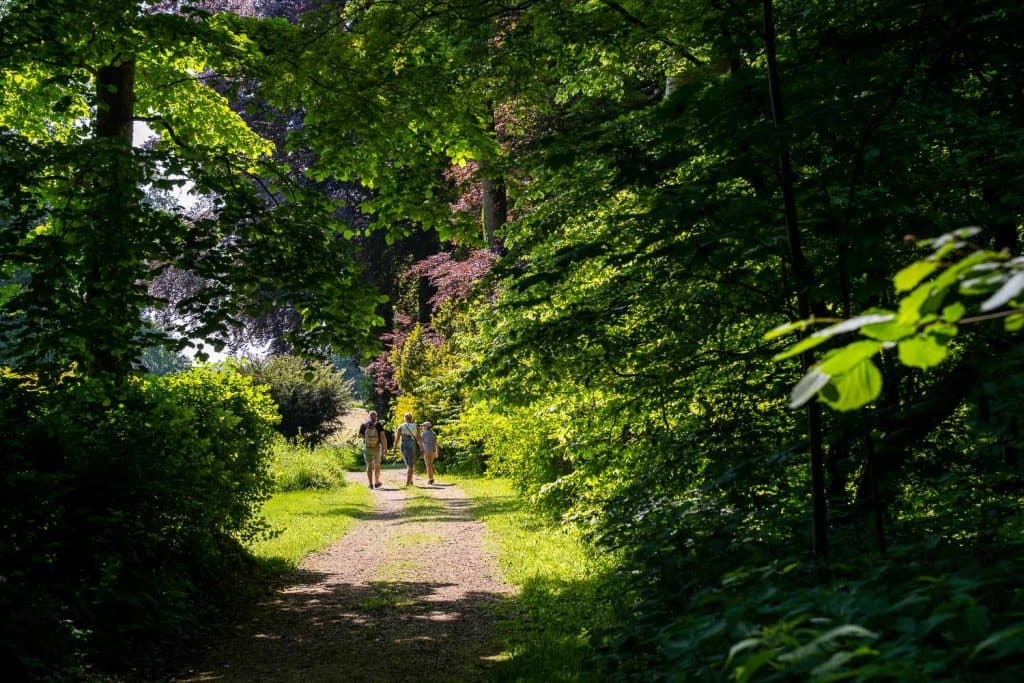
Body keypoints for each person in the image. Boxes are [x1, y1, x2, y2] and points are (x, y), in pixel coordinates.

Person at [358, 410, 387, 489]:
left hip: (367, 447)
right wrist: (385, 449)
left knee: (369, 465)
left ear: (369, 416)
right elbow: (383, 437)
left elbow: (359, 435)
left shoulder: (364, 424)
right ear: (376, 416)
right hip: (377, 447)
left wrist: (366, 438)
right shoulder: (378, 425)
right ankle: (376, 482)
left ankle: (370, 484)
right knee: (377, 464)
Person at [394, 412, 420, 486]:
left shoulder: (401, 426)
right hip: (413, 444)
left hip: (404, 444)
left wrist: (395, 447)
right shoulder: (416, 426)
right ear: (412, 418)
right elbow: (418, 438)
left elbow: (397, 438)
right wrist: (421, 447)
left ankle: (408, 482)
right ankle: (410, 480)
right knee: (411, 463)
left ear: (405, 418)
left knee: (409, 464)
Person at [420, 421, 439, 485]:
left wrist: (421, 450)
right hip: (433, 451)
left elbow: (420, 442)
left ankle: (430, 479)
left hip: (426, 451)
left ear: (426, 427)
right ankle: (431, 478)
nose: (422, 427)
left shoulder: (423, 433)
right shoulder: (433, 433)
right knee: (430, 464)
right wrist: (437, 452)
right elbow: (436, 443)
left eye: (423, 426)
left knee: (428, 465)